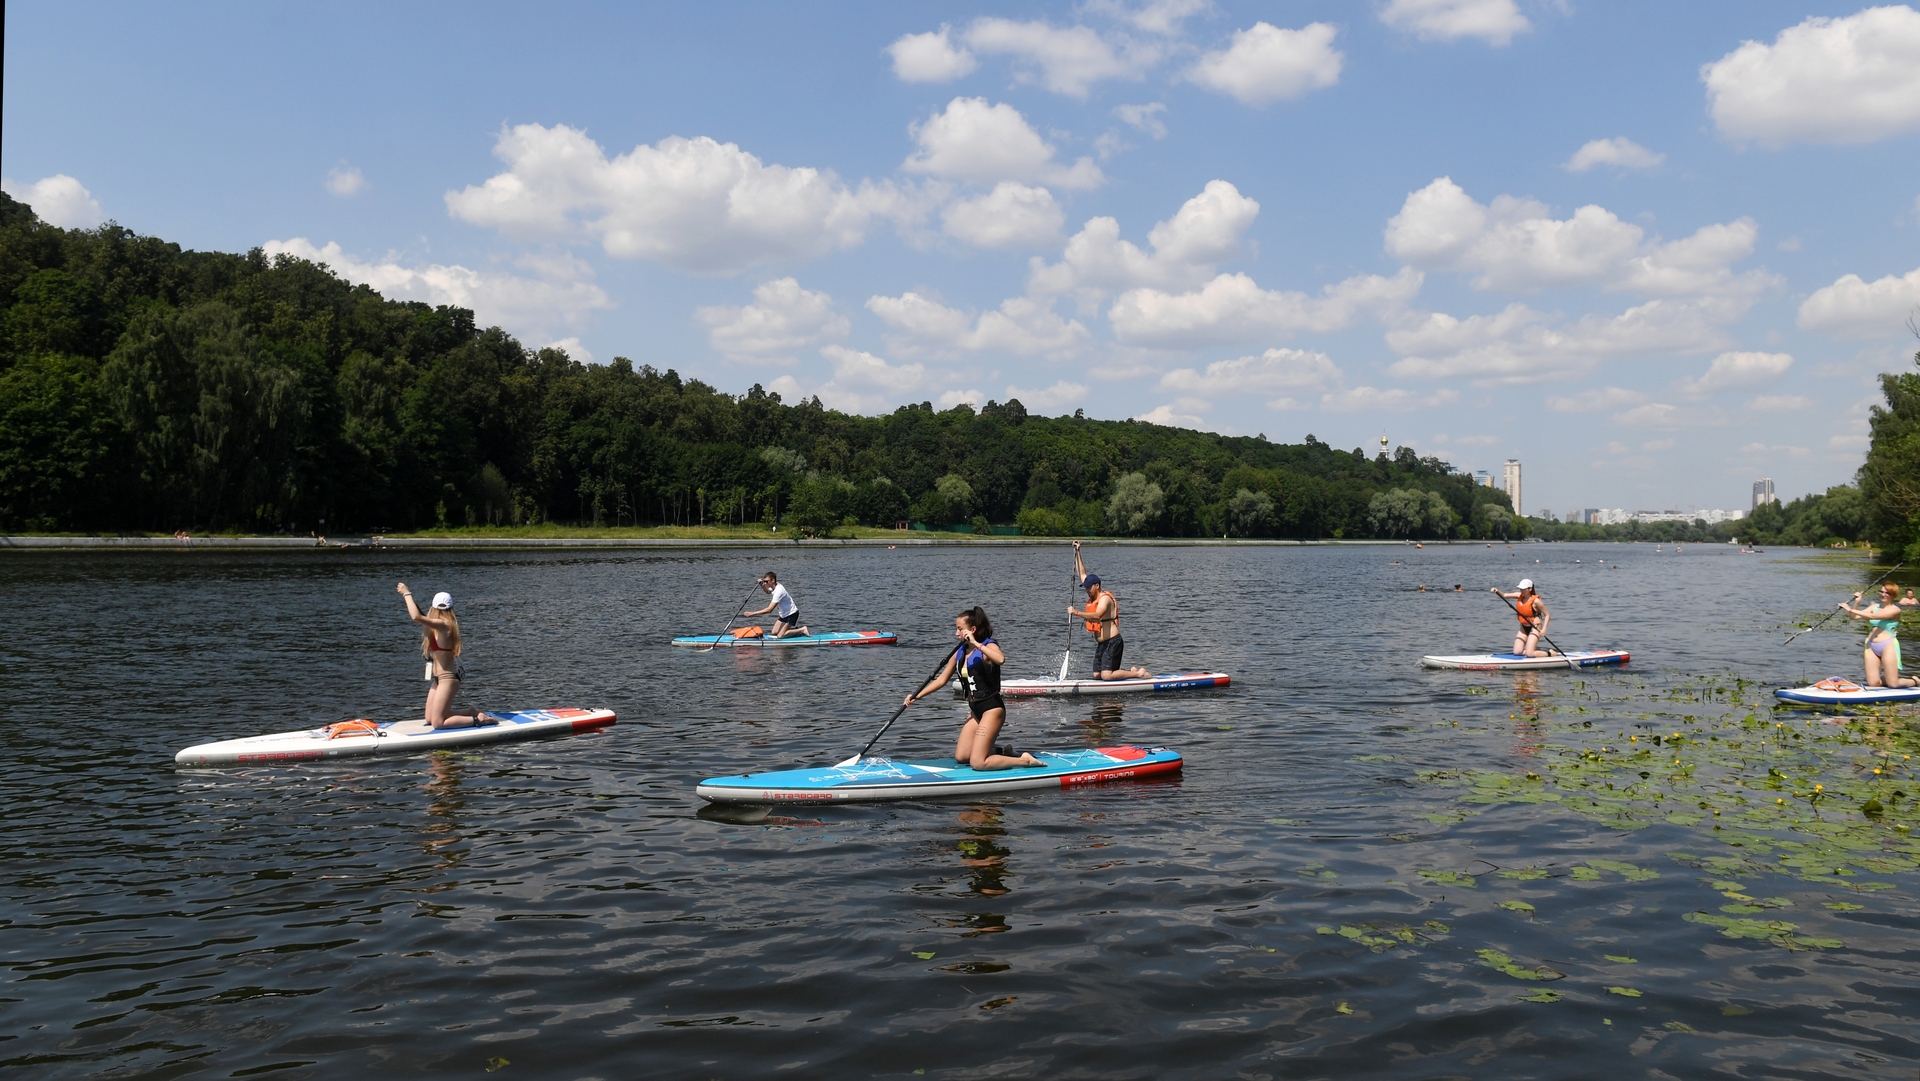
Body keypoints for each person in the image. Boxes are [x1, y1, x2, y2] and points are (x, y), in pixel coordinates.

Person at [903, 607, 1040, 771]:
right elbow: (941, 680)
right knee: (962, 757)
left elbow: (1001, 659)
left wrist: (976, 643)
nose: (956, 633)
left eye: (960, 629)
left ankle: (1024, 760)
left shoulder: (988, 646)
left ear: (972, 630)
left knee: (978, 763)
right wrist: (917, 696)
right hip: (975, 710)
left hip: (992, 708)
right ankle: (1005, 752)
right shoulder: (959, 652)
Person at [397, 583, 494, 728]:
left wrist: (406, 593)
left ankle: (479, 720)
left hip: (447, 679)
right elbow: (421, 615)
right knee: (429, 718)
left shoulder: (446, 625)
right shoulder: (436, 625)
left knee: (438, 723)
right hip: (438, 679)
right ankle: (471, 712)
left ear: (434, 607)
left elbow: (416, 616)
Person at [1069, 541, 1148, 680]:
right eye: (1086, 588)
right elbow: (1082, 572)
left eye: (1089, 588)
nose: (1087, 590)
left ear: (1097, 586)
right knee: (1097, 675)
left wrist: (1076, 612)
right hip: (1102, 642)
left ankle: (1138, 673)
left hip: (1113, 641)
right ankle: (1128, 672)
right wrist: (1078, 552)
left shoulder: (1104, 598)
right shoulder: (1093, 593)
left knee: (1106, 675)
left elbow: (1098, 615)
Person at [1838, 582, 1917, 689]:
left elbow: (1873, 616)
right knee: (1874, 683)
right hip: (1871, 646)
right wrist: (1857, 602)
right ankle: (1890, 678)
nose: (1883, 594)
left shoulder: (1896, 610)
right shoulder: (1874, 606)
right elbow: (1854, 617)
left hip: (1888, 645)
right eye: (1882, 592)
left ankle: (1914, 681)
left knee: (1893, 684)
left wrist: (1850, 609)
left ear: (1893, 595)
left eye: (1887, 593)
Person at [1491, 579, 1552, 658]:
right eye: (1521, 589)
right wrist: (1497, 591)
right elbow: (1504, 595)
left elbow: (1547, 615)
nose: (1522, 591)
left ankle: (1550, 653)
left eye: (1524, 589)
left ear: (1530, 589)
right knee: (1517, 652)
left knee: (1529, 654)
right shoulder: (1518, 595)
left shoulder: (1536, 601)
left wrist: (1544, 629)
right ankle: (1534, 650)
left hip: (1535, 627)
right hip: (1523, 627)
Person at [743, 571, 810, 638]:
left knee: (780, 636)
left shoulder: (779, 591)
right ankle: (794, 631)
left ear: (773, 580)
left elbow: (769, 610)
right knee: (774, 632)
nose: (765, 583)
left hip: (792, 614)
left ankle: (802, 629)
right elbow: (768, 591)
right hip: (784, 615)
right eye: (765, 581)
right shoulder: (775, 585)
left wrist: (753, 613)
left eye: (767, 581)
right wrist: (762, 584)